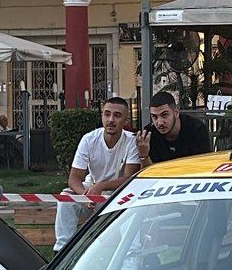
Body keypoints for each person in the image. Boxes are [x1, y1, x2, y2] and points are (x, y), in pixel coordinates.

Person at [55, 95, 141, 250]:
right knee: (65, 199)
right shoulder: (89, 139)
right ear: (101, 116)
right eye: (107, 114)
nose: (111, 120)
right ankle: (61, 250)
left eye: (117, 115)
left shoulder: (131, 141)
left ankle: (132, 259)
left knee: (131, 208)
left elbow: (129, 179)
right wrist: (85, 194)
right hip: (91, 191)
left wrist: (101, 186)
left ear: (126, 121)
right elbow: (74, 178)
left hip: (119, 194)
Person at [138, 90, 212, 166]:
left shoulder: (196, 129)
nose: (159, 122)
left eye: (164, 115)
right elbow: (147, 174)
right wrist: (144, 156)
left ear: (176, 113)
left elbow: (202, 167)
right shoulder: (149, 134)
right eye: (154, 116)